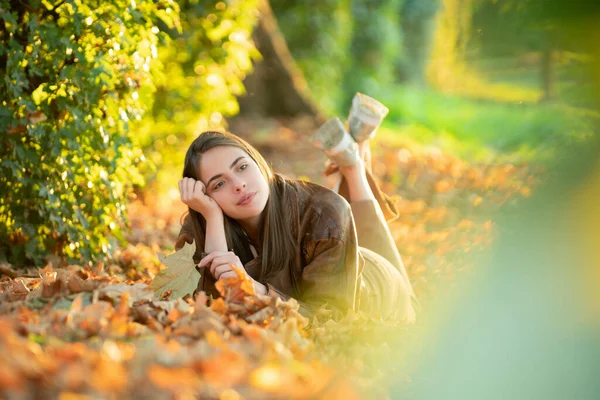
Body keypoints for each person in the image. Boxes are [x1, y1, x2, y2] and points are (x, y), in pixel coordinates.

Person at [175, 130, 416, 322]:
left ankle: (354, 170)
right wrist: (214, 219)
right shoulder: (202, 224)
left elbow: (333, 319)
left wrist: (255, 290)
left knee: (339, 218)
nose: (238, 184)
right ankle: (350, 168)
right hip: (330, 255)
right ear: (205, 195)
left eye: (242, 167)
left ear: (259, 163)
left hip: (376, 291)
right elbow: (210, 310)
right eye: (218, 184)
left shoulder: (326, 213)